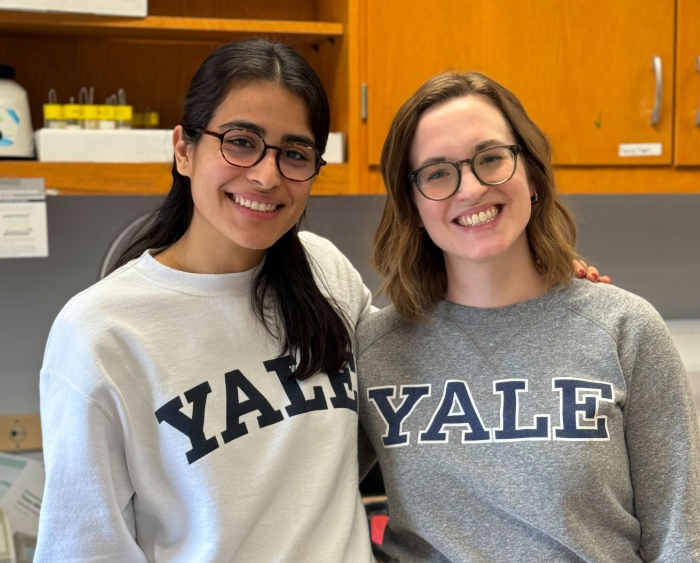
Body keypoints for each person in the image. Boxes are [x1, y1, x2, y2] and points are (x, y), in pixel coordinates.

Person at [35, 39, 376, 563]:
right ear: (184, 149)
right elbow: (84, 549)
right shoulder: (101, 331)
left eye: (294, 153)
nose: (266, 175)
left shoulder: (326, 273)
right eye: (241, 142)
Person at [357, 71, 700, 563]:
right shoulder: (375, 348)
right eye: (436, 172)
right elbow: (306, 501)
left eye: (490, 158)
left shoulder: (626, 330)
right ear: (412, 204)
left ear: (532, 175)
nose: (471, 188)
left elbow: (681, 538)